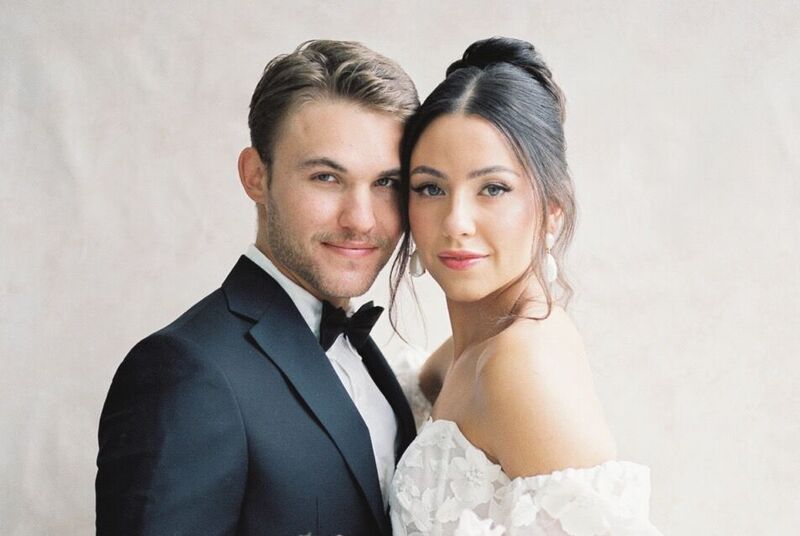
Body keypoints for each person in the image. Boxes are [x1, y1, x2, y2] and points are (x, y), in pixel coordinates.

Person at [95, 40, 419, 536]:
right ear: (255, 176)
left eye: (386, 183)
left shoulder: (369, 360)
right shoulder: (183, 372)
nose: (361, 219)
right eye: (326, 177)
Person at [387, 37, 664, 535]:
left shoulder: (517, 367)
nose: (456, 222)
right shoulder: (469, 352)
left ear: (552, 210)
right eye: (431, 188)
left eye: (493, 188)